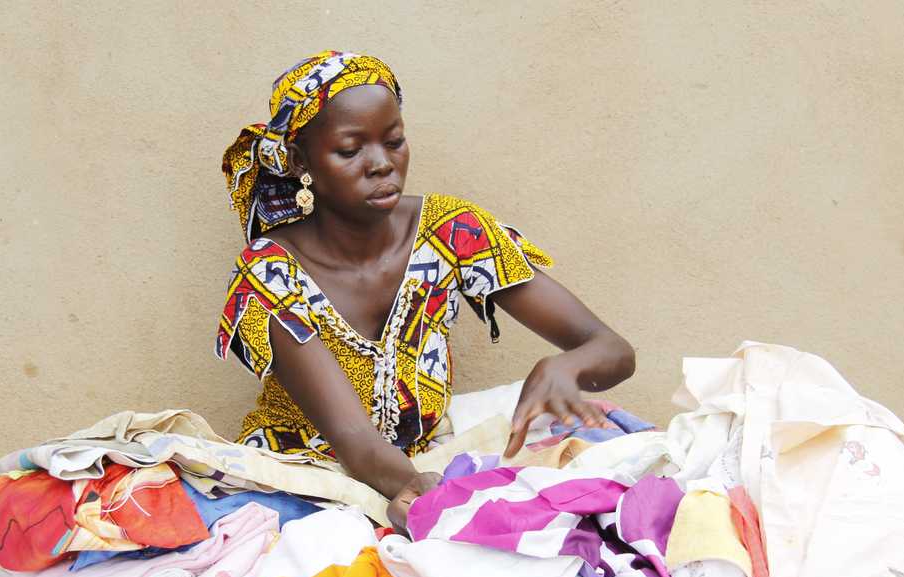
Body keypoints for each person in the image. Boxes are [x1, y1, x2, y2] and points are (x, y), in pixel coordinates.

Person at [216, 51, 634, 529]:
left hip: (426, 459)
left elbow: (613, 350)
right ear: (298, 161)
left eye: (393, 142)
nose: (381, 165)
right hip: (308, 474)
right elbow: (353, 437)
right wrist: (417, 488)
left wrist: (565, 365)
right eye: (350, 150)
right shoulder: (270, 275)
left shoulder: (451, 230)